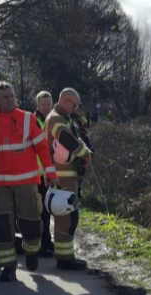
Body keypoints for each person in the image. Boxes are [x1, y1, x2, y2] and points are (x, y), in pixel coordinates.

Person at [0, 81, 59, 282]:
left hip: (27, 182)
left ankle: (31, 252)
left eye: (11, 95)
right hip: (0, 185)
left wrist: (50, 173)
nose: (10, 99)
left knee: (31, 224)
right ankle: (9, 267)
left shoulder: (28, 119)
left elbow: (42, 149)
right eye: (5, 97)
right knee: (2, 227)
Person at [44, 88, 92, 270]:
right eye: (75, 105)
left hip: (66, 176)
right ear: (65, 101)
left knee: (71, 216)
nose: (76, 109)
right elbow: (65, 138)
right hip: (62, 177)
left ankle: (67, 255)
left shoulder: (62, 117)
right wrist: (84, 153)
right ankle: (64, 259)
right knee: (66, 217)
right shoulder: (56, 118)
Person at [33, 91, 54, 257]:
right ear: (37, 106)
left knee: (46, 211)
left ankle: (46, 241)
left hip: (46, 173)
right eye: (43, 104)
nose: (46, 107)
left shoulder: (49, 121)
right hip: (37, 174)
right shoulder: (36, 122)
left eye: (48, 104)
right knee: (40, 212)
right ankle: (41, 244)